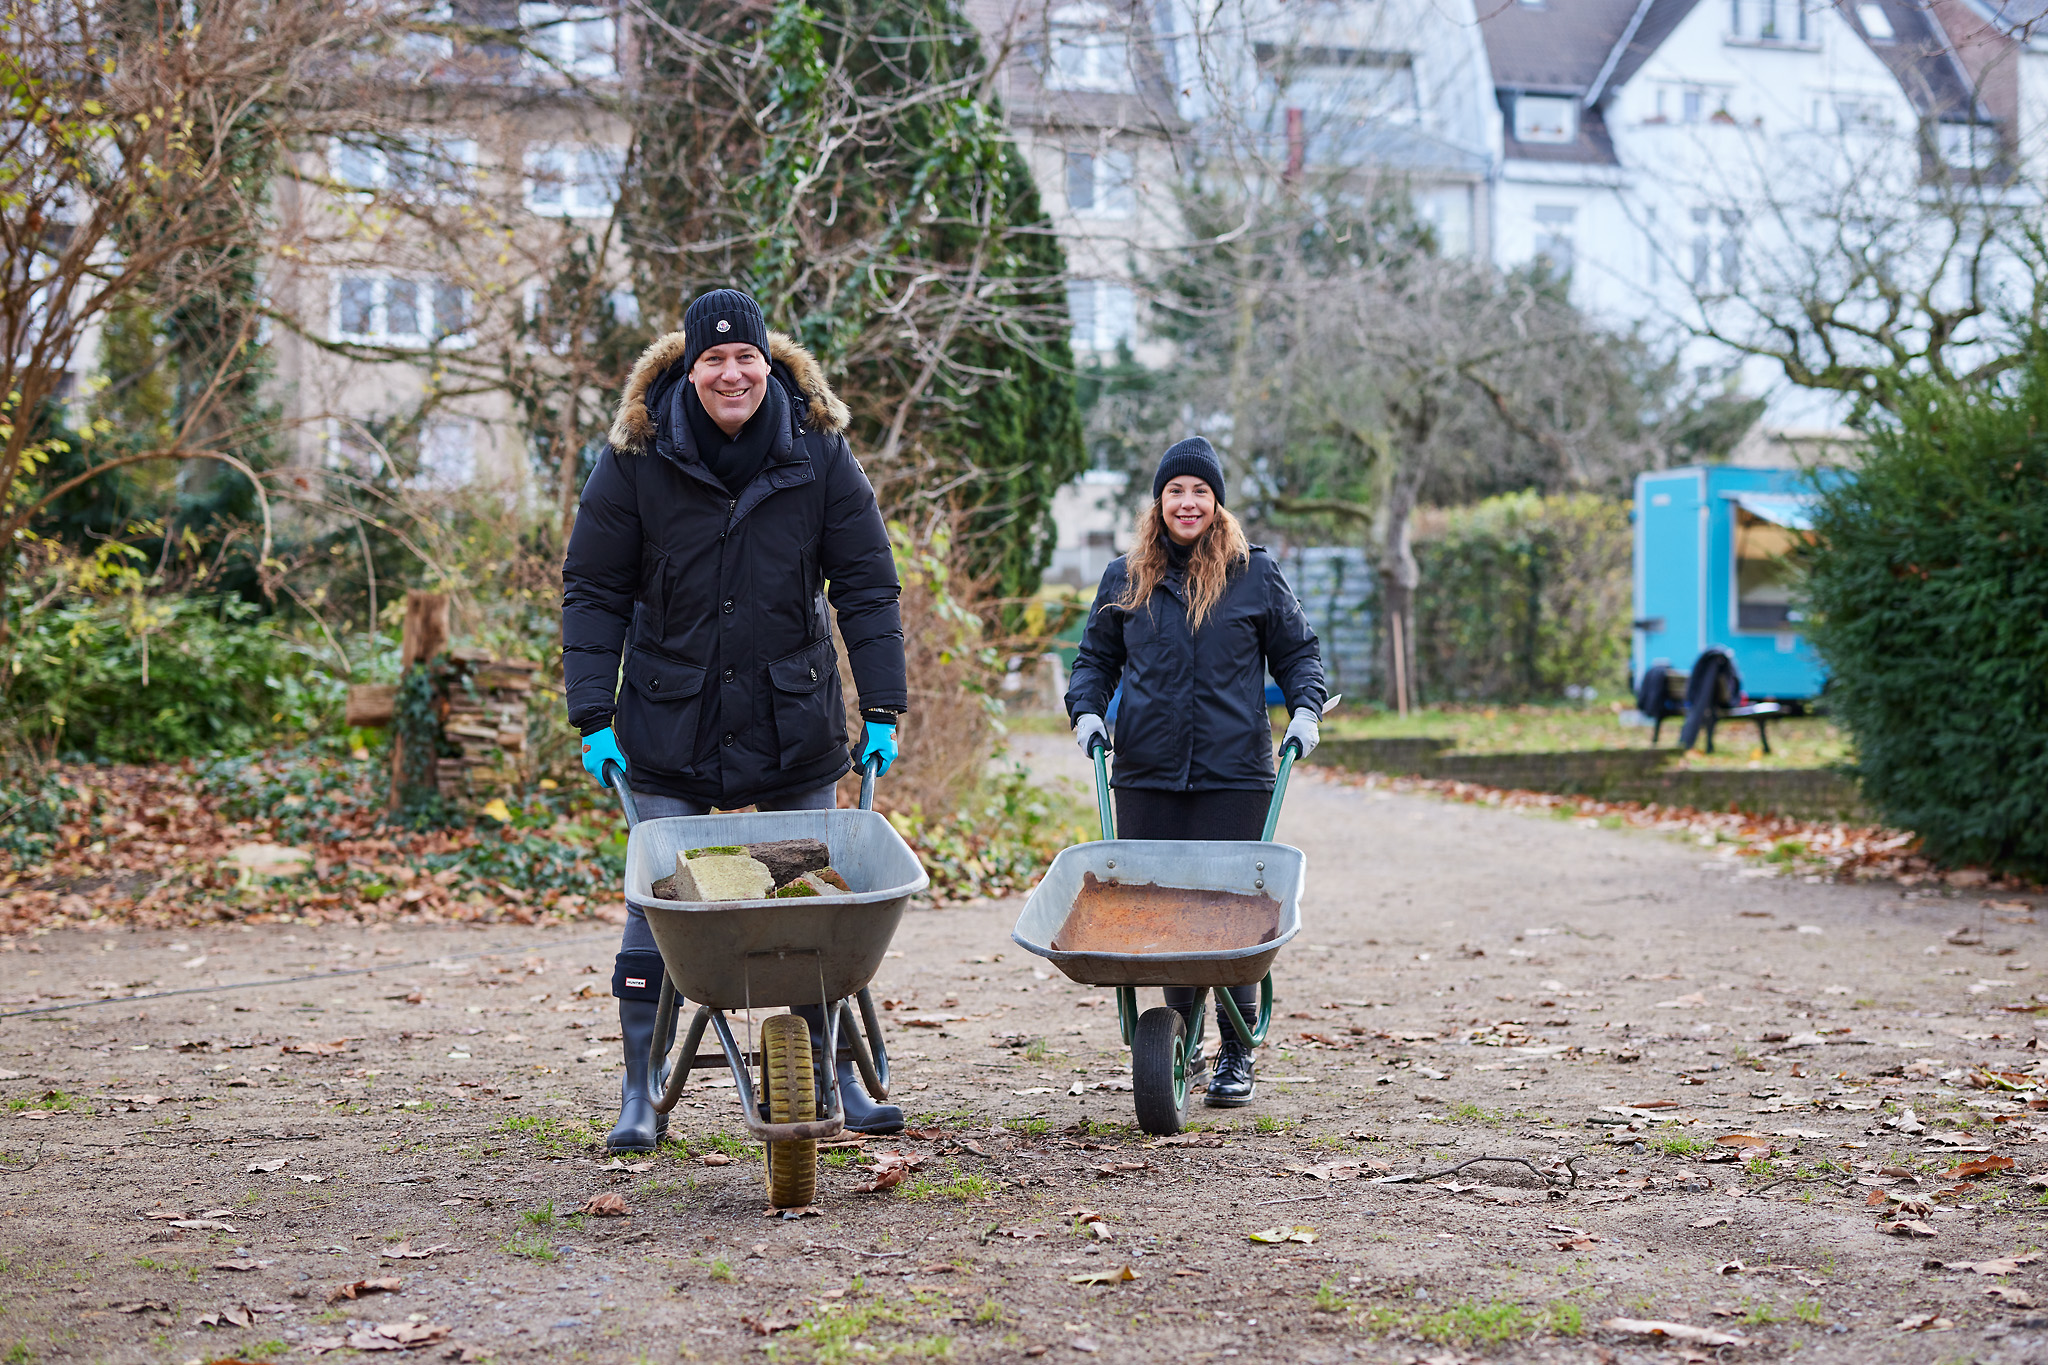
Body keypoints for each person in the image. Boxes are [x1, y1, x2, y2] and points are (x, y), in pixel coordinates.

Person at [561, 288, 908, 1149]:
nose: (731, 373)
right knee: (656, 903)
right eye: (713, 358)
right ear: (688, 365)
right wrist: (591, 715)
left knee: (816, 903)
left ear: (768, 363)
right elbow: (595, 590)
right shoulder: (637, 456)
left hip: (792, 715)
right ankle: (640, 1089)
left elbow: (866, 583)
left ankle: (835, 1076)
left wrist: (883, 704)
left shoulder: (819, 452)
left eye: (744, 357)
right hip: (668, 723)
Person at [1064, 436, 1326, 1107]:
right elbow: (1094, 660)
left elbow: (1298, 653)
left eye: (1199, 492)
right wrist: (1087, 713)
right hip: (1147, 775)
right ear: (1159, 502)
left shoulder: (1254, 574)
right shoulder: (1126, 577)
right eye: (1175, 490)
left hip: (1234, 774)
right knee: (1169, 919)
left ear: (1216, 503)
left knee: (1233, 918)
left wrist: (1306, 712)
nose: (1187, 502)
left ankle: (1238, 1049)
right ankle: (1180, 1031)